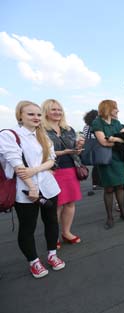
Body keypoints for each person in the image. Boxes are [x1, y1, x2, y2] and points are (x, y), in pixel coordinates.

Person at [0, 101, 65, 278]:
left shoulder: (42, 135)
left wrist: (35, 170)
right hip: (24, 190)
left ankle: (52, 254)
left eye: (38, 114)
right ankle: (34, 261)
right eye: (31, 114)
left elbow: (51, 160)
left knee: (52, 221)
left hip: (48, 186)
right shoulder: (9, 135)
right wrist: (32, 187)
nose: (36, 118)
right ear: (20, 115)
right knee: (28, 227)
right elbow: (17, 165)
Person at [42, 99, 84, 248]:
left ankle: (66, 232)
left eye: (59, 109)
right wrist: (63, 152)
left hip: (71, 168)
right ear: (46, 111)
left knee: (70, 203)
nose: (57, 112)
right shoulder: (40, 129)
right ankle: (54, 236)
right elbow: (42, 152)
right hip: (53, 170)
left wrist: (78, 147)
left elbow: (73, 149)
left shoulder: (68, 129)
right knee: (57, 205)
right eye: (53, 109)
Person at [92, 100, 124, 229]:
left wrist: (113, 139)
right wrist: (120, 141)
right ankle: (110, 217)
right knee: (109, 188)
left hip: (119, 159)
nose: (117, 110)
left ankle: (123, 213)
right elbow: (103, 142)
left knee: (120, 186)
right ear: (108, 108)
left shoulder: (117, 123)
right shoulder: (97, 122)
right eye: (116, 108)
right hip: (106, 160)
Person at [83, 109, 101, 195]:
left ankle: (96, 183)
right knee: (97, 166)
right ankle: (96, 183)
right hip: (96, 147)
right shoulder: (94, 126)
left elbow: (86, 137)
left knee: (97, 166)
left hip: (91, 147)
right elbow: (94, 137)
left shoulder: (86, 126)